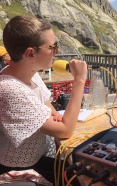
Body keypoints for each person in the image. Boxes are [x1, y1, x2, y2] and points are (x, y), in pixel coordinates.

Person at [0, 15, 87, 184]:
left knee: (83, 174)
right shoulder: (10, 88)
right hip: (18, 168)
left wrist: (57, 122)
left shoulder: (31, 73)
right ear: (30, 54)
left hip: (37, 159)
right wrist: (79, 81)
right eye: (52, 47)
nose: (57, 51)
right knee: (82, 180)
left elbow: (53, 113)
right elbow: (65, 130)